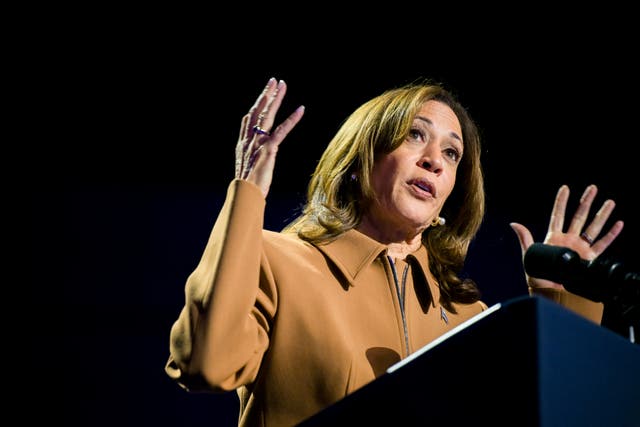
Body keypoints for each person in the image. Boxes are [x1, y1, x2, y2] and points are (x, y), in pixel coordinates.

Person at [164, 77, 624, 426]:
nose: (434, 161)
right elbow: (206, 366)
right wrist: (248, 193)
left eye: (452, 154)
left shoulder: (469, 315)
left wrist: (564, 304)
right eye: (414, 135)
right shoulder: (277, 260)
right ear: (363, 157)